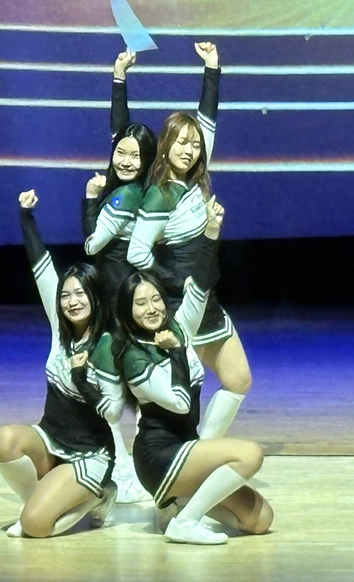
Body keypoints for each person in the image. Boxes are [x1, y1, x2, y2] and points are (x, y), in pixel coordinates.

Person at [116, 199, 274, 545]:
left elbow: (200, 288)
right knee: (250, 454)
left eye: (156, 299)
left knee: (259, 520)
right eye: (140, 303)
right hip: (159, 458)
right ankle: (185, 521)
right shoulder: (134, 358)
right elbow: (180, 403)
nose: (152, 308)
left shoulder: (179, 328)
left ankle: (177, 505)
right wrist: (175, 352)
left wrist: (211, 235)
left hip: (186, 451)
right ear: (128, 312)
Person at [127, 41, 252, 442]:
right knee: (171, 397)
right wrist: (175, 285)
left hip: (205, 302)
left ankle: (202, 451)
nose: (191, 150)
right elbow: (136, 252)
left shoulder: (194, 182)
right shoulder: (159, 194)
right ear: (166, 144)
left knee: (238, 380)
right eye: (182, 142)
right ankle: (156, 459)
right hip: (180, 309)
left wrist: (212, 68)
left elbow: (207, 122)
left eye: (195, 145)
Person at [0, 190, 124, 538]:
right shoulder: (59, 327)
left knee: (34, 527)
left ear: (95, 297)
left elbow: (112, 414)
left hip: (89, 455)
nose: (71, 301)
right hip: (50, 439)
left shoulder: (109, 346)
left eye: (80, 294)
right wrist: (26, 216)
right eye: (65, 295)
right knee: (5, 440)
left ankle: (100, 494)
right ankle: (40, 504)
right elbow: (40, 264)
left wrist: (81, 377)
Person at [81, 49, 159, 504]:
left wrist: (90, 198)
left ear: (148, 161)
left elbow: (92, 244)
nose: (126, 159)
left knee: (125, 387)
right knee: (115, 386)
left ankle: (139, 469)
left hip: (122, 296)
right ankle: (125, 470)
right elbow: (120, 129)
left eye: (136, 155)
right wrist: (118, 76)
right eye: (121, 153)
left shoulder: (127, 194)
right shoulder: (126, 180)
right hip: (114, 294)